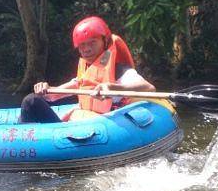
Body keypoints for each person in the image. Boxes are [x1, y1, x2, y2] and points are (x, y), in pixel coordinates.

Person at [20, 16, 155, 124]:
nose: (87, 49)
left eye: (92, 42)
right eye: (82, 45)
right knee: (33, 100)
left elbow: (148, 87)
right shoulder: (85, 72)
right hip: (83, 128)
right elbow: (53, 96)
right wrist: (44, 89)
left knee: (30, 101)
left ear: (105, 42)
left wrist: (112, 87)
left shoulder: (119, 70)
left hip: (106, 129)